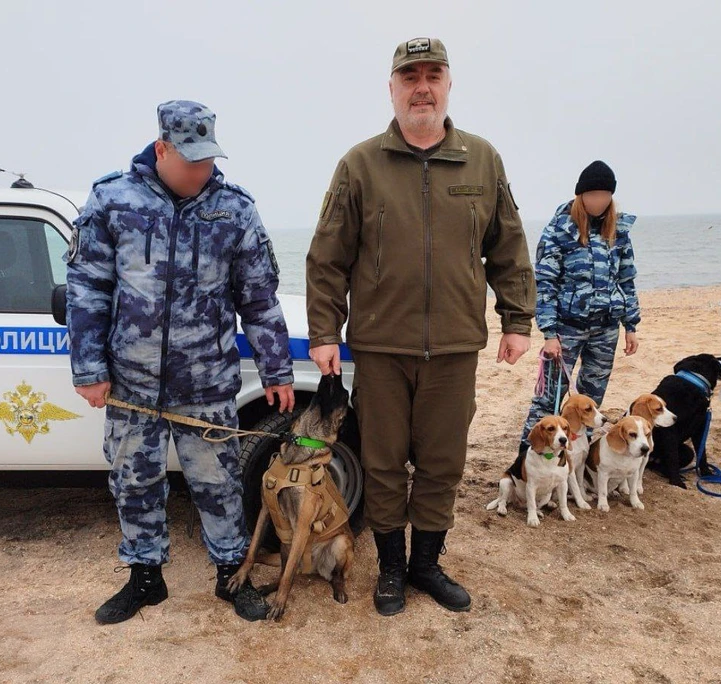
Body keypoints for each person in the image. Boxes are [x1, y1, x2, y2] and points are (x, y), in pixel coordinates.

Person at [306, 38, 535, 617]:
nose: (422, 87)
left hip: (456, 347)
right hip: (381, 348)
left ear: (449, 84)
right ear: (392, 88)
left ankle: (426, 565)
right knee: (382, 465)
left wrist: (517, 319)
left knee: (441, 464)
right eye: (410, 77)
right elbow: (327, 256)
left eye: (433, 75)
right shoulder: (359, 164)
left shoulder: (482, 160)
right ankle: (389, 569)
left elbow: (508, 245)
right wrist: (324, 331)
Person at [66, 100, 295, 623]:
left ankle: (231, 577)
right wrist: (89, 369)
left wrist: (277, 369)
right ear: (162, 148)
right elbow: (88, 289)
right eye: (191, 160)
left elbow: (258, 298)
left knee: (218, 486)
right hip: (131, 383)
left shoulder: (233, 209)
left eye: (208, 160)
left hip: (207, 382)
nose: (202, 171)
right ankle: (145, 579)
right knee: (134, 481)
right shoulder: (113, 200)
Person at [522, 161, 640, 438]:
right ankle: (527, 460)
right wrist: (549, 333)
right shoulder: (558, 231)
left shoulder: (618, 232)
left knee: (591, 403)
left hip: (606, 328)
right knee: (548, 400)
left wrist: (631, 325)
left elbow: (626, 279)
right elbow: (545, 284)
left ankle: (579, 461)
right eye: (592, 194)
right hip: (567, 329)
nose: (598, 200)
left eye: (604, 194)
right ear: (580, 196)